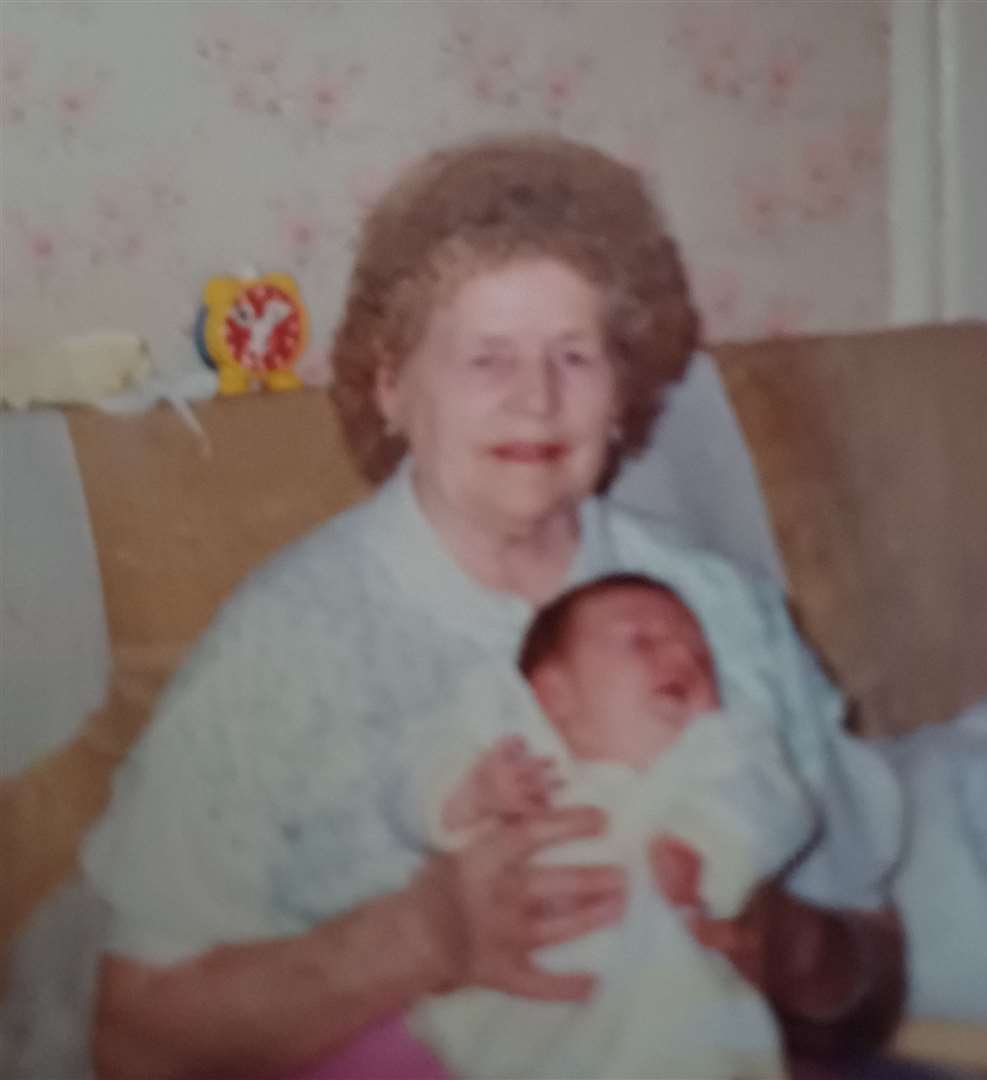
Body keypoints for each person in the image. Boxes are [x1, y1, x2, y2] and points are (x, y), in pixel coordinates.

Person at [83, 134, 904, 1080]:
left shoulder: (724, 613)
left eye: (574, 356)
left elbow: (871, 970)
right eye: (485, 359)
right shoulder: (281, 645)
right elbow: (133, 1035)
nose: (535, 401)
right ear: (391, 385)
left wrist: (789, 950)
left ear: (622, 393)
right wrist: (417, 939)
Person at [367, 572, 815, 1079]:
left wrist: (703, 846)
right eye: (642, 641)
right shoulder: (511, 741)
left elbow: (778, 802)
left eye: (702, 659)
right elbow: (407, 776)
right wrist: (469, 791)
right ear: (554, 693)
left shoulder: (717, 747)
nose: (681, 660)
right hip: (505, 1020)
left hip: (666, 1019)